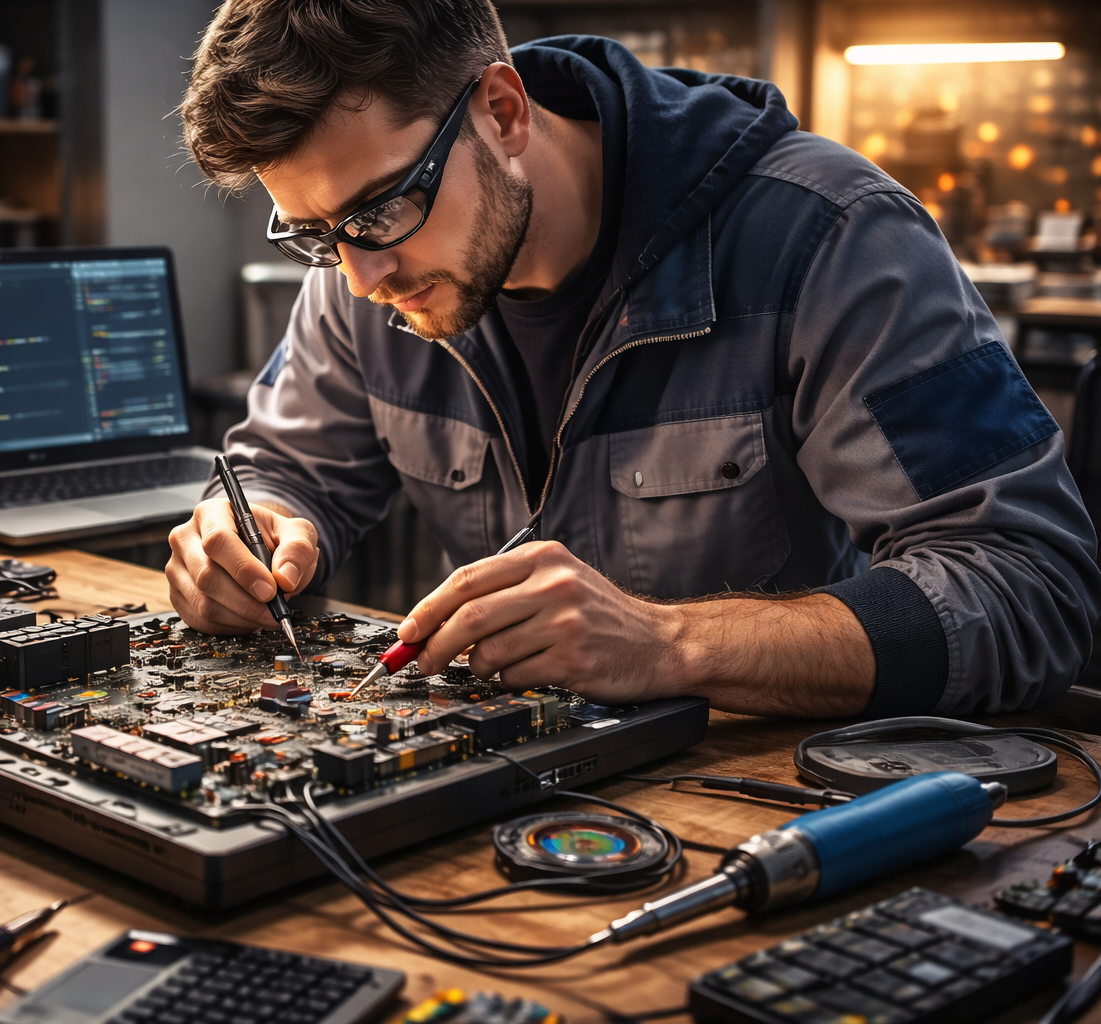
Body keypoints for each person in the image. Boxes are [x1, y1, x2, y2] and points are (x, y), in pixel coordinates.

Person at [167, 0, 1100, 718]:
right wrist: (252, 530)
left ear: (501, 112)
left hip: (769, 812)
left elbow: (1031, 587)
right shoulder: (366, 267)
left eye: (379, 209)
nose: (360, 276)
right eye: (316, 235)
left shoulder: (828, 239)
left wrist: (675, 646)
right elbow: (285, 471)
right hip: (517, 806)